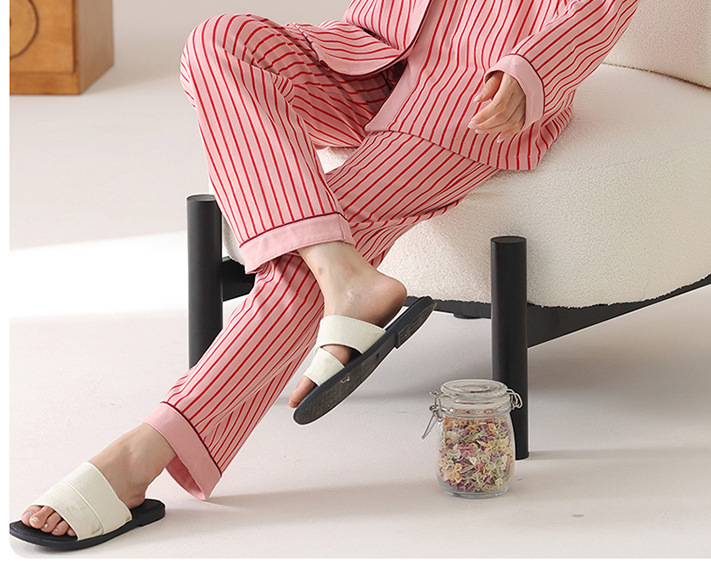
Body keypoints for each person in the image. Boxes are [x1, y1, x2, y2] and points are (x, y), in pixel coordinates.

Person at [10, 0, 640, 549]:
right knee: (219, 42)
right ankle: (345, 275)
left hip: (475, 93)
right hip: (372, 51)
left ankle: (141, 452)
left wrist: (532, 69)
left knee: (332, 224)